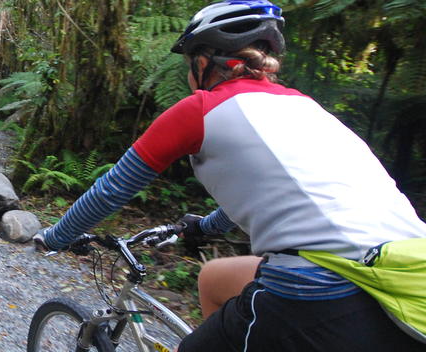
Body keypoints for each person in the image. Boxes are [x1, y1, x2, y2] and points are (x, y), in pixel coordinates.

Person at [32, 1, 426, 350]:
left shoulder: (199, 109)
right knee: (215, 277)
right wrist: (205, 226)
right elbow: (289, 192)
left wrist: (55, 236)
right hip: (407, 271)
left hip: (319, 283)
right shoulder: (304, 107)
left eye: (189, 64)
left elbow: (111, 190)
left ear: (203, 63)